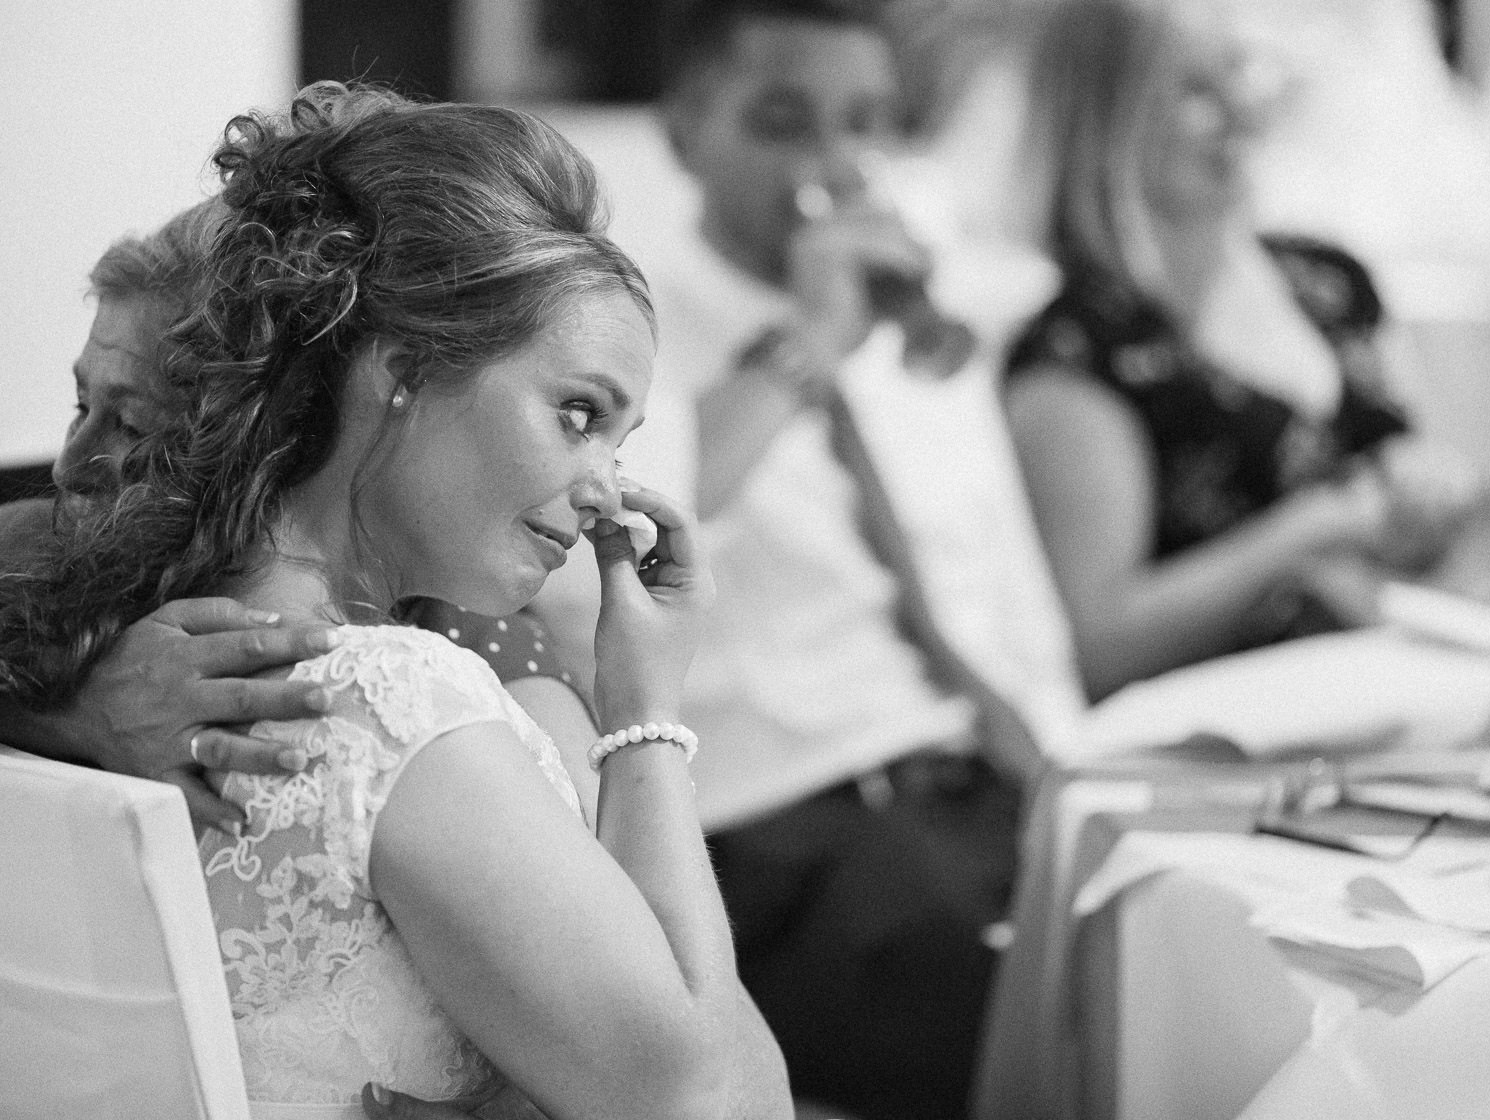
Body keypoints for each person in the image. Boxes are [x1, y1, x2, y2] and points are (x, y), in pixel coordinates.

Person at [0, 82, 790, 1119]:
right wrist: (646, 714)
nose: (607, 490)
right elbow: (712, 1102)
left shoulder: (128, 620)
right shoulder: (397, 705)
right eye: (576, 412)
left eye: (620, 438)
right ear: (403, 369)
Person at [649, 3, 1034, 1117]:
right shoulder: (626, 328)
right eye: (784, 122)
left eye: (865, 122)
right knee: (1008, 1022)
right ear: (685, 130)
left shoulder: (907, 322)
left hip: (959, 778)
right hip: (781, 823)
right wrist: (808, 340)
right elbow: (644, 508)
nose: (832, 162)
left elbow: (993, 590)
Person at [1, 203, 606, 829]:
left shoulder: (466, 640)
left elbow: (609, 887)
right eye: (81, 406)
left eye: (130, 424)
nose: (68, 467)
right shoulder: (32, 552)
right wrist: (75, 709)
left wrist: (649, 708)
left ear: (248, 440)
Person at [1003, 0, 1490, 702]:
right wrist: (1301, 536)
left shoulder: (1331, 280)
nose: (1242, 115)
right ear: (1106, 114)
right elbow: (1101, 642)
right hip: (1224, 742)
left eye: (1240, 73)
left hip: (1401, 694)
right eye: (1194, 92)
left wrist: (1431, 484)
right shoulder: (1081, 348)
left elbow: (1440, 496)